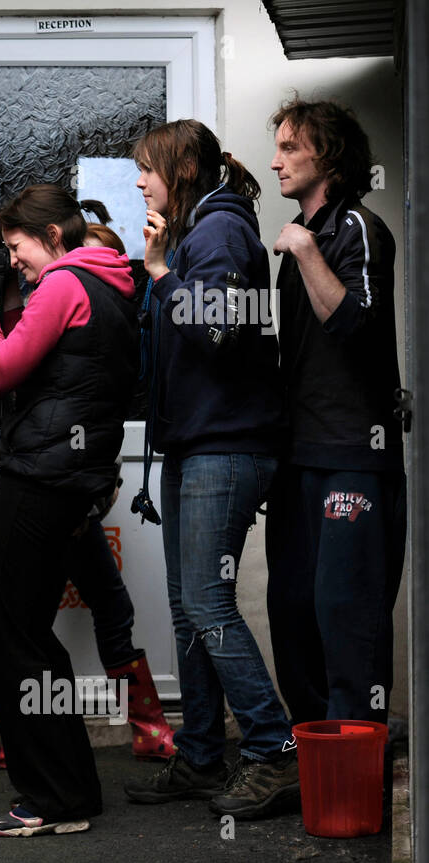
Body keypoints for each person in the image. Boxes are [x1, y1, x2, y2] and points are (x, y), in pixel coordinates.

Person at [121, 120, 297, 821]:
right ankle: (199, 756)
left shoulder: (220, 232)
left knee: (206, 603)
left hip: (228, 447)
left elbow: (218, 332)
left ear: (186, 169)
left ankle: (274, 751)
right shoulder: (198, 232)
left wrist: (161, 274)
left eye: (148, 168)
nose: (139, 182)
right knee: (190, 609)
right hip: (195, 445)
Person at [0, 185, 138, 836]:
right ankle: (68, 794)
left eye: (16, 248)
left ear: (54, 237)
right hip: (73, 480)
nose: (14, 262)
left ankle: (49, 798)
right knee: (32, 636)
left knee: (6, 634)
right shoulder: (113, 284)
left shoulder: (63, 284)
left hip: (40, 477)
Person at [265, 98, 406, 726]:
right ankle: (313, 760)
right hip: (298, 456)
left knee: (345, 615)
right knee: (292, 612)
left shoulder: (357, 229)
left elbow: (357, 327)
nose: (277, 162)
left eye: (291, 147)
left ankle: (357, 766)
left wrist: (305, 253)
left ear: (331, 156)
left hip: (353, 455)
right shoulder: (306, 242)